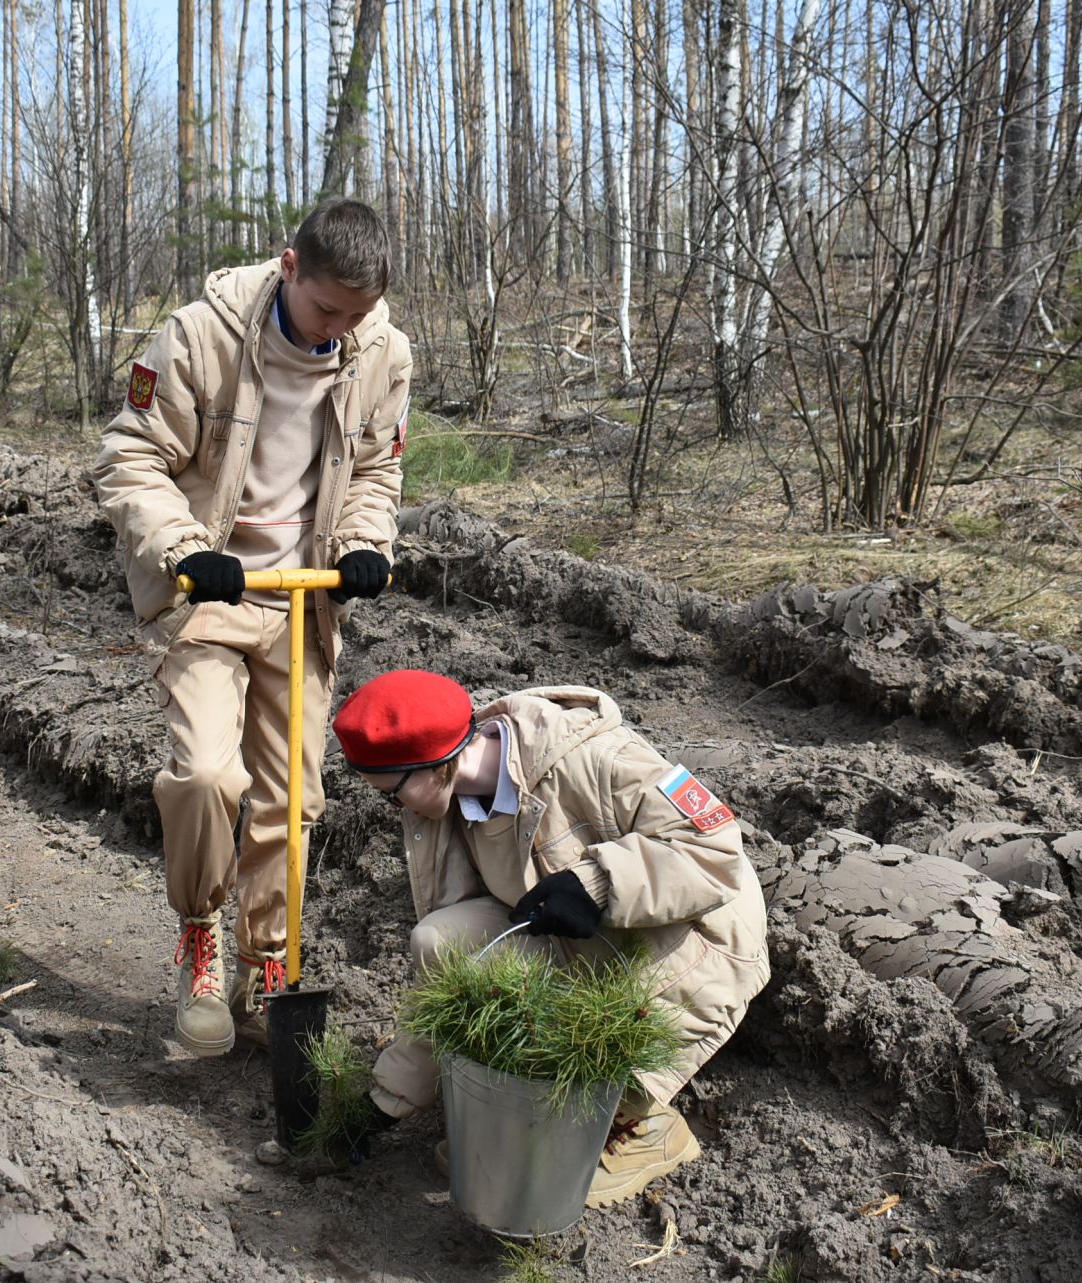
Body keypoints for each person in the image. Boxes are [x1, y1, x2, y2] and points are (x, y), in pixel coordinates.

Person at [94, 199, 411, 1056]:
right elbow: (129, 456)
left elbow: (379, 466)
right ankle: (201, 933)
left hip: (305, 596)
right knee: (204, 775)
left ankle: (266, 962)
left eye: (359, 314)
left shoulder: (380, 350)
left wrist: (364, 542)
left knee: (292, 801)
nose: (340, 330)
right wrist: (189, 548)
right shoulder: (200, 337)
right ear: (289, 266)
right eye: (327, 310)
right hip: (212, 587)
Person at [330, 670, 770, 1207]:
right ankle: (544, 1095)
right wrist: (385, 1104)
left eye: (392, 795)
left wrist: (598, 882)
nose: (394, 809)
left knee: (535, 1176)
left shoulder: (599, 759)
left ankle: (646, 1125)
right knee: (441, 939)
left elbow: (717, 847)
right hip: (583, 954)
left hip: (686, 951)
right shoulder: (450, 807)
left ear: (434, 762)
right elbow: (450, 979)